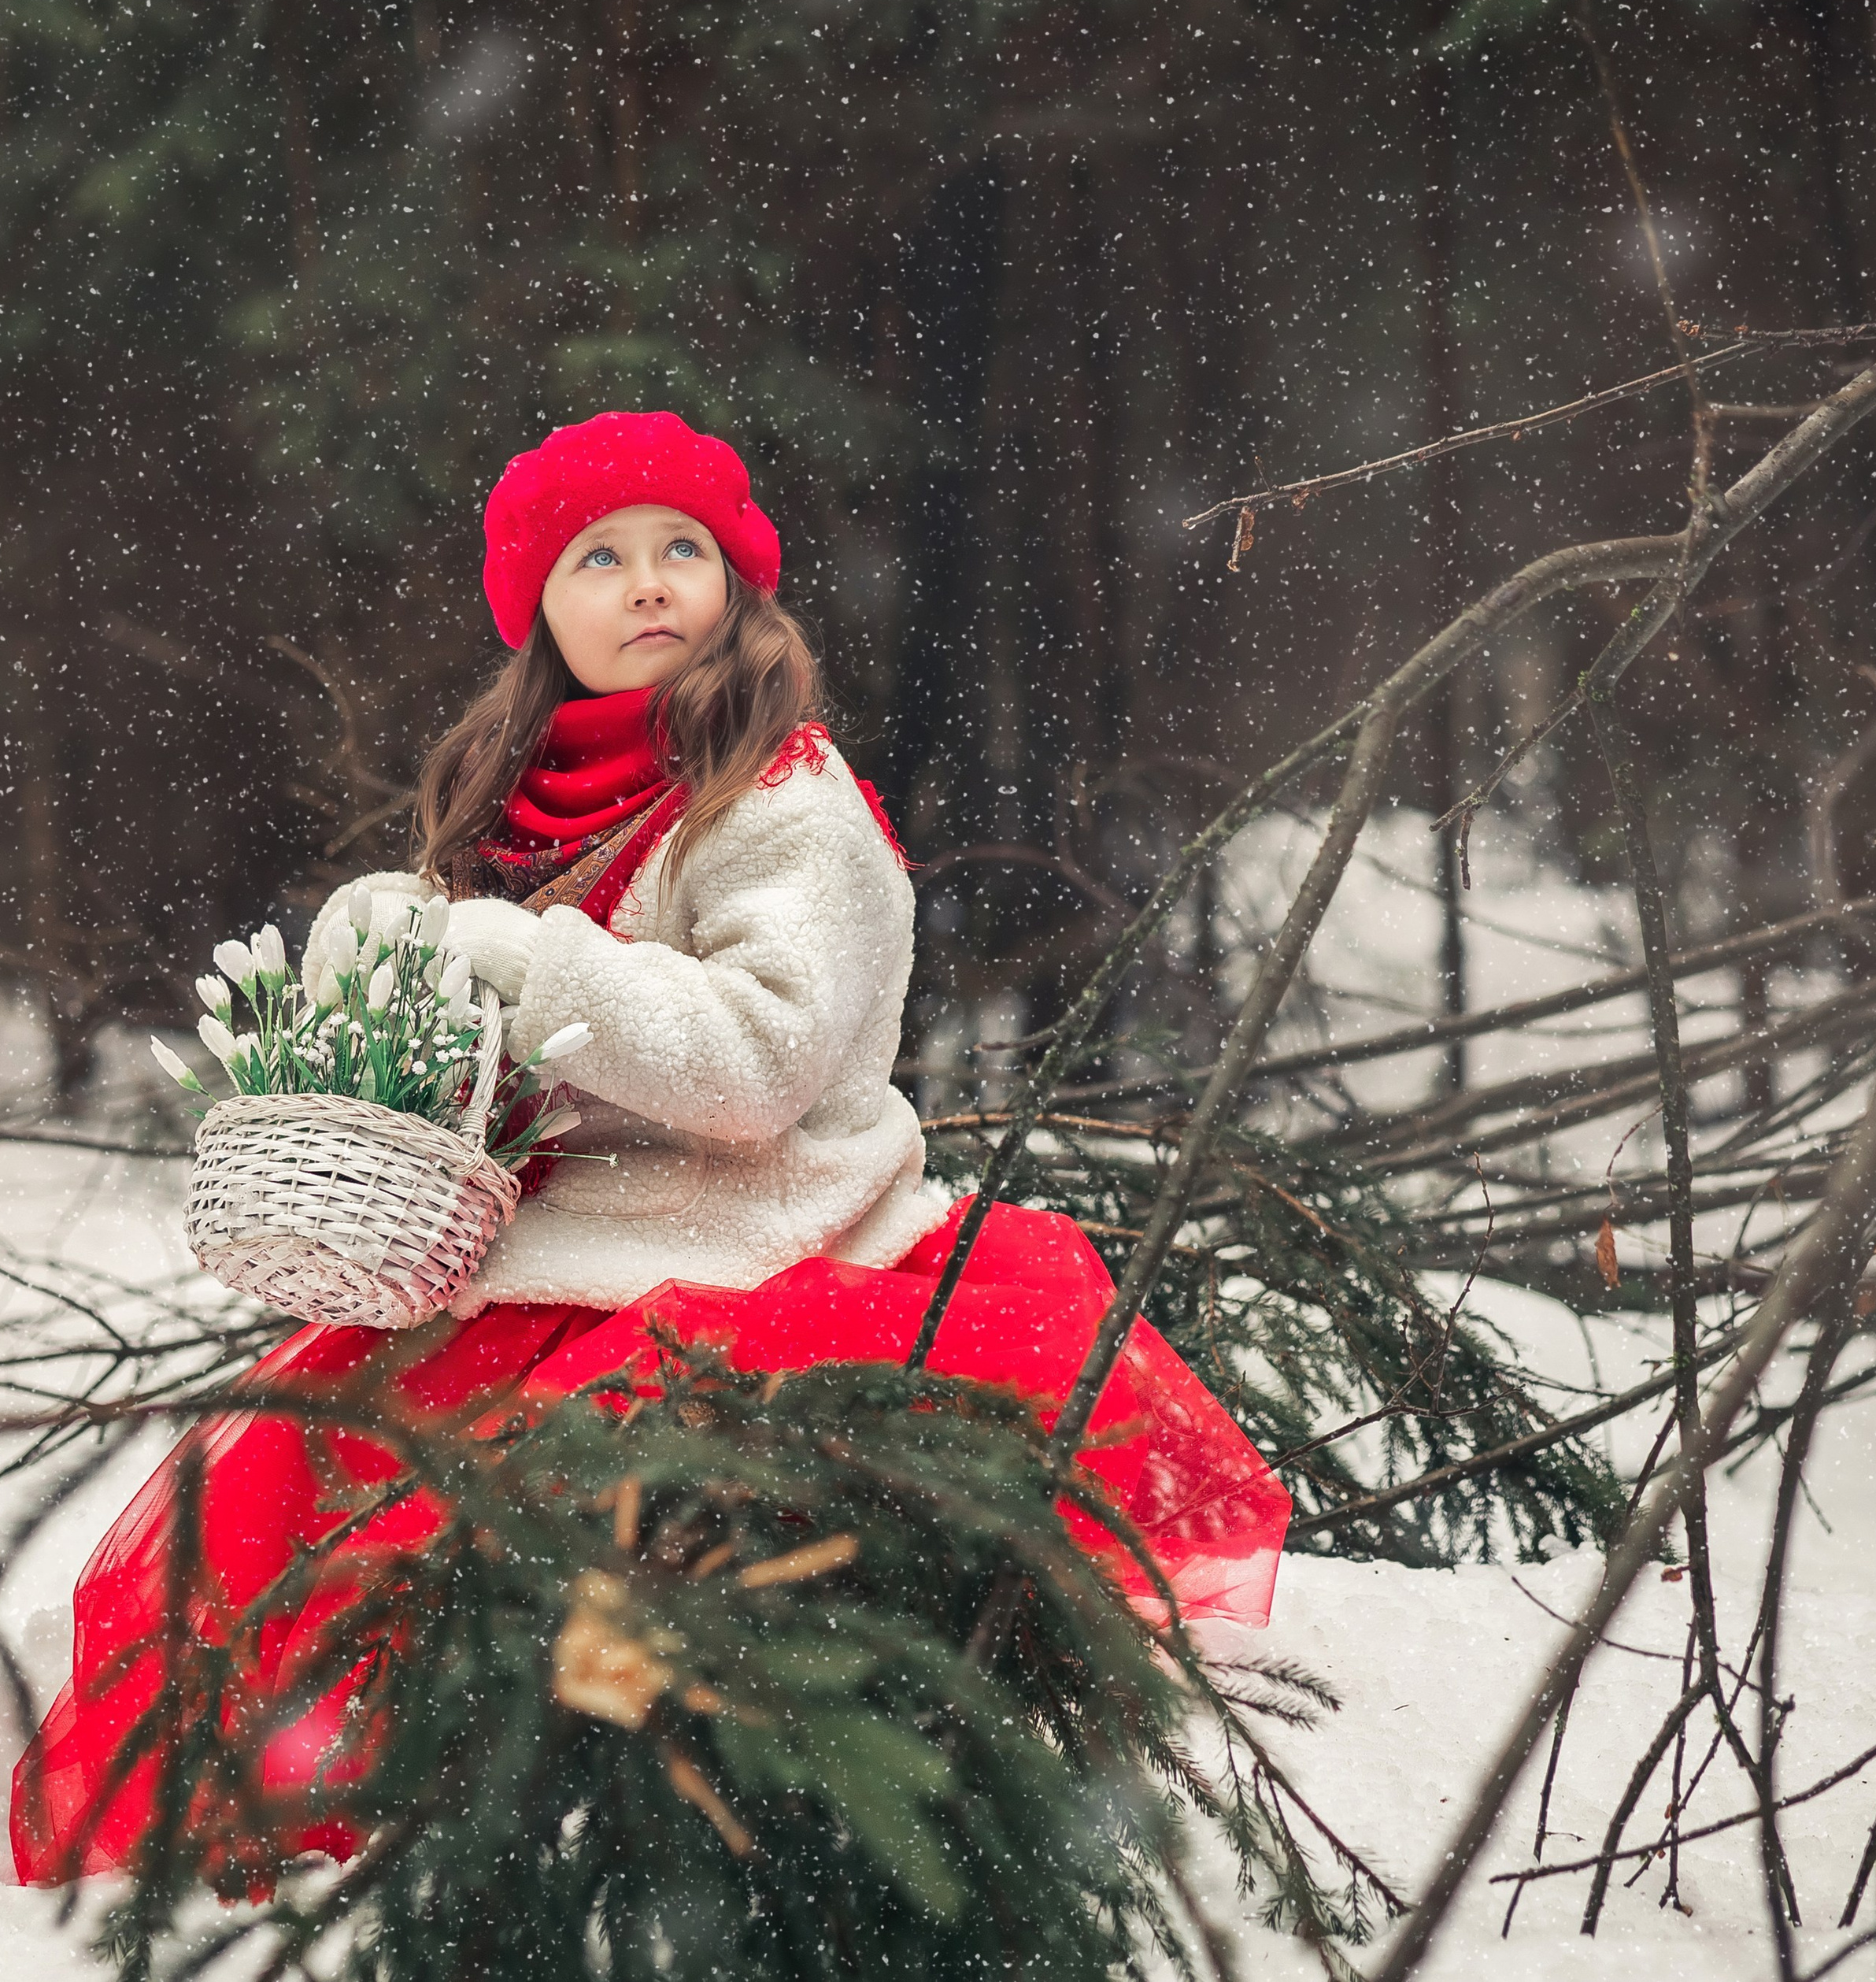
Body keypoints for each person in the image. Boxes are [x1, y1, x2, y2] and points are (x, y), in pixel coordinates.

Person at [9, 410, 1287, 1885]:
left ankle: (509, 1793)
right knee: (307, 1490)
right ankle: (267, 1790)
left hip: (754, 1240)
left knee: (522, 1518)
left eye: (685, 548)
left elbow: (757, 1065)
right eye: (600, 557)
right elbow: (511, 1079)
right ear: (539, 608)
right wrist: (394, 991)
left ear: (739, 585)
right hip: (550, 1251)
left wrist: (522, 962)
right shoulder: (517, 792)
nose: (648, 582)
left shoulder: (783, 799)